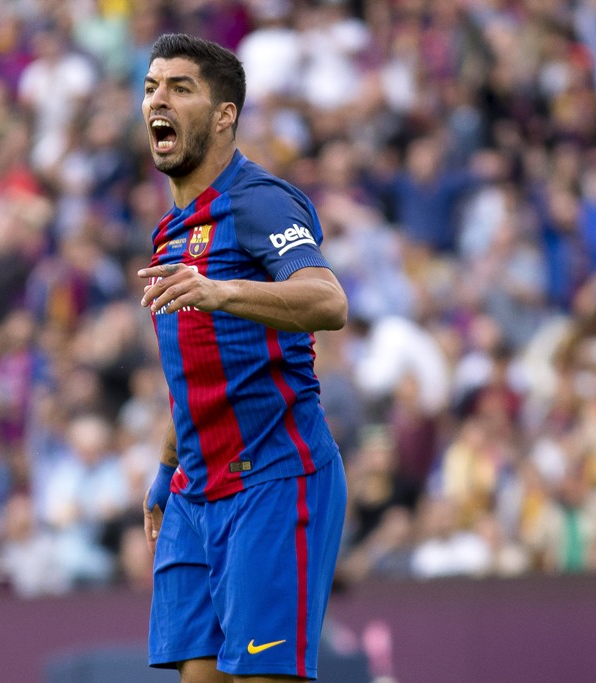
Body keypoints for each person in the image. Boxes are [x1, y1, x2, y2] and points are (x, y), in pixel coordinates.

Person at [137, 34, 349, 682]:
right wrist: (166, 467)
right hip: (196, 490)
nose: (157, 102)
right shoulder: (171, 229)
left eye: (180, 88)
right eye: (150, 88)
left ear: (225, 115)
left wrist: (219, 289)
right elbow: (198, 370)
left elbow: (328, 298)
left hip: (274, 479)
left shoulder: (259, 201)